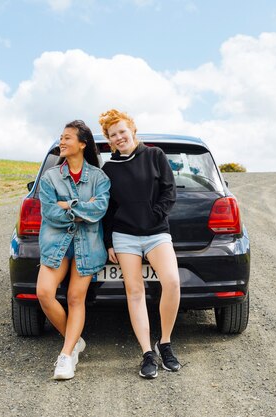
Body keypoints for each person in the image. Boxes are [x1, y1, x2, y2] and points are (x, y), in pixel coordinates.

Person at [99, 109, 181, 379]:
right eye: (113, 135)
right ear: (109, 141)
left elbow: (169, 191)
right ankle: (147, 353)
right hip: (125, 237)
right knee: (134, 292)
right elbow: (109, 210)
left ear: (132, 130)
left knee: (171, 282)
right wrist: (109, 241)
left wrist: (153, 215)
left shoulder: (155, 155)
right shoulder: (109, 169)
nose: (119, 137)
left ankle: (165, 342)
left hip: (157, 232)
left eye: (122, 131)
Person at [36, 120, 110, 380]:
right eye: (61, 137)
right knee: (44, 293)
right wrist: (81, 208)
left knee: (75, 298)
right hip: (56, 243)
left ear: (82, 143)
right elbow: (50, 213)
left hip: (87, 245)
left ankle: (66, 355)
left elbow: (99, 208)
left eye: (67, 138)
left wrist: (67, 204)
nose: (62, 142)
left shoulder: (99, 178)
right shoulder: (50, 177)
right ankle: (75, 339)